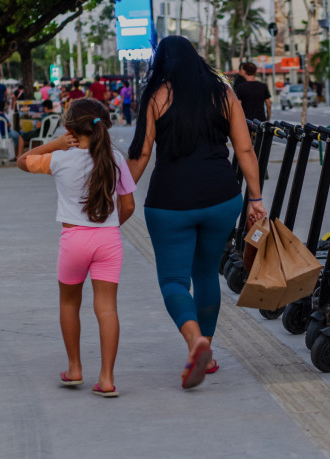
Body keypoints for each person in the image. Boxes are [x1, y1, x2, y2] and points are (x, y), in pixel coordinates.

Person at [127, 36, 266, 390]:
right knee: (206, 275)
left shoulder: (157, 96)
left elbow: (141, 155)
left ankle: (195, 342)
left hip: (170, 202)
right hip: (221, 197)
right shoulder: (224, 94)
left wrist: (119, 198)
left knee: (174, 281)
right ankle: (210, 351)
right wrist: (255, 198)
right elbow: (245, 148)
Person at [17, 99, 136, 398]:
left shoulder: (59, 159)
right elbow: (129, 205)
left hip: (73, 241)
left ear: (70, 129)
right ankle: (107, 379)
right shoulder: (115, 160)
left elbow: (22, 161)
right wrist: (109, 228)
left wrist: (54, 143)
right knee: (107, 308)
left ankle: (74, 368)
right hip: (108, 240)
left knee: (69, 303)